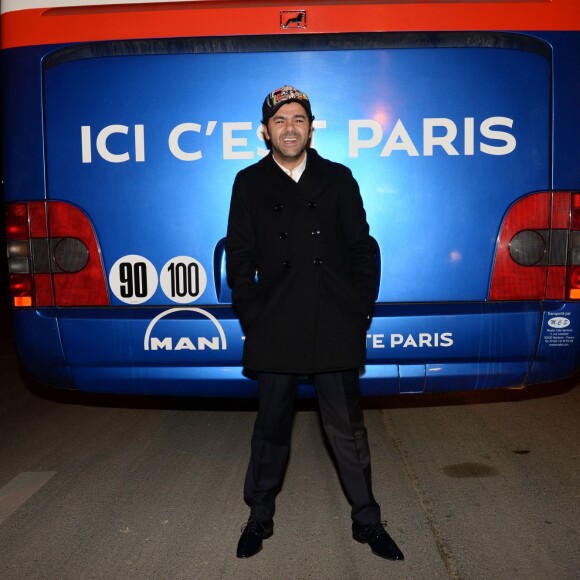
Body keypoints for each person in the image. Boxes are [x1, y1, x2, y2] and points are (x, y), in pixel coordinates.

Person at [225, 85, 404, 562]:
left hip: (333, 320)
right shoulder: (249, 182)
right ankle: (259, 516)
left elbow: (363, 249)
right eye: (280, 120)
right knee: (270, 429)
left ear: (311, 127)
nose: (290, 127)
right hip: (276, 322)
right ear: (266, 131)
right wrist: (253, 317)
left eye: (299, 119)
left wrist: (358, 312)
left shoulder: (338, 178)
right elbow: (239, 258)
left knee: (348, 430)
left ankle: (367, 521)